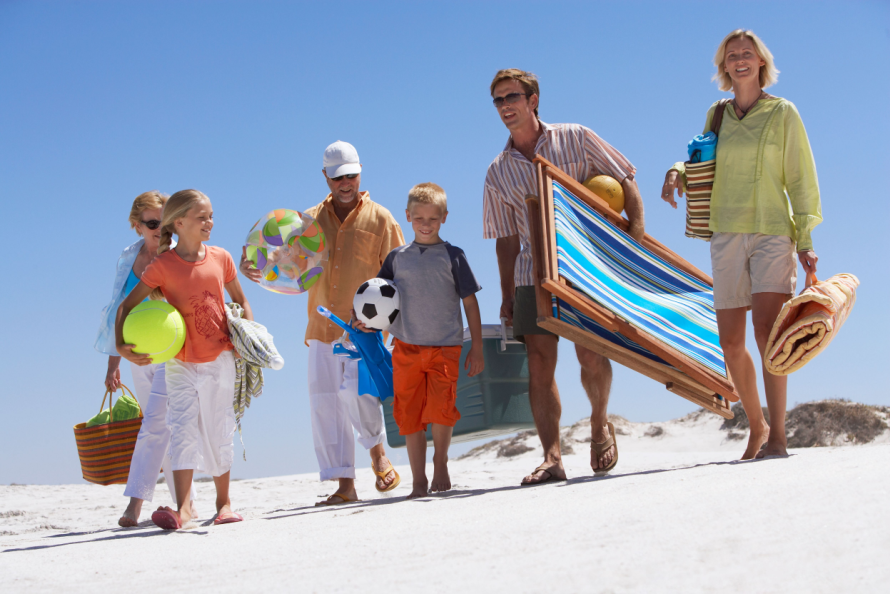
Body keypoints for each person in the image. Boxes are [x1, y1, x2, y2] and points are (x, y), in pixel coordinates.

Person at [661, 30, 821, 459]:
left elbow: (801, 179)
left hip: (772, 231)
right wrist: (677, 169)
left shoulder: (783, 113)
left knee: (768, 335)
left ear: (761, 62)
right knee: (731, 341)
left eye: (747, 53)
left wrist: (804, 238)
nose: (740, 60)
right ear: (724, 66)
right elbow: (703, 154)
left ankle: (780, 437)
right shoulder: (717, 114)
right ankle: (757, 425)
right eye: (732, 55)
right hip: (725, 232)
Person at [483, 69, 646, 485]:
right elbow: (504, 240)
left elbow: (625, 177)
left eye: (512, 97)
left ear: (533, 99)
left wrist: (637, 235)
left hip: (583, 267)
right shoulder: (497, 171)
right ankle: (552, 458)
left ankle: (598, 422)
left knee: (591, 353)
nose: (505, 106)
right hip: (528, 273)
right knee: (539, 365)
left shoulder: (575, 137)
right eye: (498, 100)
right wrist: (505, 295)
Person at [240, 141, 405, 505]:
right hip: (320, 326)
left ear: (360, 173)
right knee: (325, 406)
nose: (345, 183)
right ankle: (344, 486)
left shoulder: (382, 218)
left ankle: (379, 457)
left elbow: (399, 273)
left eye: (351, 175)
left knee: (357, 395)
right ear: (325, 177)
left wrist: (389, 327)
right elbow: (288, 265)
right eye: (337, 177)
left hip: (364, 329)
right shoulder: (307, 221)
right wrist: (254, 265)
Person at [116, 189, 251, 529]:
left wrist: (246, 337)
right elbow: (126, 307)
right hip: (180, 362)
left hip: (220, 359)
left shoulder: (221, 258)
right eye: (202, 217)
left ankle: (224, 503)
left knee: (220, 428)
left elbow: (241, 301)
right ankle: (184, 510)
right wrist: (120, 345)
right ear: (179, 223)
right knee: (181, 430)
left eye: (211, 216)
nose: (210, 222)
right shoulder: (163, 265)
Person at [367, 182, 484, 498]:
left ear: (444, 217)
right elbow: (379, 298)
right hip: (405, 348)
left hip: (445, 347)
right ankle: (418, 481)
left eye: (433, 219)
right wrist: (364, 324)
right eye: (419, 218)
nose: (426, 224)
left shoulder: (453, 255)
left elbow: (470, 303)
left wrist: (477, 346)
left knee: (442, 410)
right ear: (408, 216)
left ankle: (441, 460)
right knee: (409, 416)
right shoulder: (396, 258)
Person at [94, 190, 197, 527]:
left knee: (154, 423)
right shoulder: (129, 256)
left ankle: (135, 504)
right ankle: (189, 504)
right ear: (136, 225)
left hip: (174, 354)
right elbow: (117, 310)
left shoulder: (177, 253)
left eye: (166, 222)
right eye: (153, 223)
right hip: (139, 355)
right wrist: (114, 362)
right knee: (164, 427)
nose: (160, 229)